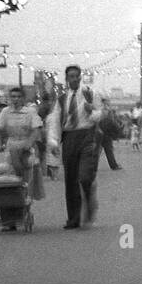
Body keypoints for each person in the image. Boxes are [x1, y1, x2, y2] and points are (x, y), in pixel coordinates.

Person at [57, 65, 99, 227]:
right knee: (71, 180)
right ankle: (73, 218)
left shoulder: (90, 94)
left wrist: (91, 112)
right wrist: (53, 141)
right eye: (71, 76)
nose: (74, 79)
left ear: (80, 77)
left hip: (86, 136)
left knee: (84, 177)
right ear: (67, 79)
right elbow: (55, 121)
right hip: (69, 138)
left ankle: (89, 202)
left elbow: (101, 113)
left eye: (77, 76)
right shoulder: (62, 99)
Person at [98, 102, 122, 170]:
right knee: (109, 152)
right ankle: (114, 166)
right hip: (107, 136)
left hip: (99, 136)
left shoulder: (98, 118)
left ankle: (92, 165)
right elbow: (116, 127)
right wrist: (116, 136)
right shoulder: (110, 119)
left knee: (97, 152)